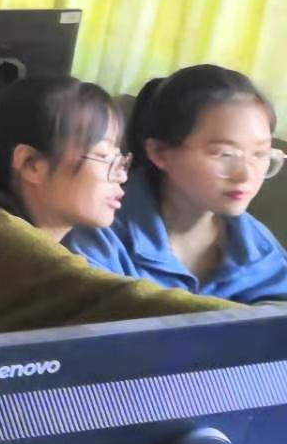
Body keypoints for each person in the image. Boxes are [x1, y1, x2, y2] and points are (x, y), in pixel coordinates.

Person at [0, 77, 234, 378]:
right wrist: (261, 324)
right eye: (104, 157)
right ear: (31, 164)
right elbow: (128, 303)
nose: (121, 175)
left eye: (121, 159)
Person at [66, 65, 287, 302]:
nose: (245, 176)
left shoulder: (260, 249)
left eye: (260, 154)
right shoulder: (101, 235)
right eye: (225, 154)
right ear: (160, 152)